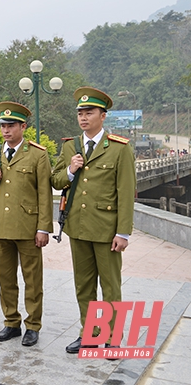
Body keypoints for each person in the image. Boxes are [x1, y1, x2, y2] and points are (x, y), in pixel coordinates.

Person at [50, 87, 135, 354]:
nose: (83, 118)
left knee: (110, 285)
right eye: (80, 113)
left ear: (103, 116)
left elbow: (126, 193)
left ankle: (113, 337)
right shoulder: (69, 146)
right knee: (83, 284)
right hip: (78, 226)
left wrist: (123, 232)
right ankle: (89, 333)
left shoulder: (119, 148)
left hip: (107, 229)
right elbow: (56, 180)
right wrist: (70, 170)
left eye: (89, 113)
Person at [0, 102, 53, 347]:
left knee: (32, 280)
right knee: (6, 278)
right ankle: (11, 322)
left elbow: (44, 193)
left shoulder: (37, 154)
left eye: (11, 126)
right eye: (3, 126)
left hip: (28, 228)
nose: (6, 130)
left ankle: (33, 325)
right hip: (1, 226)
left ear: (23, 126)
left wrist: (43, 228)